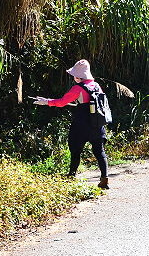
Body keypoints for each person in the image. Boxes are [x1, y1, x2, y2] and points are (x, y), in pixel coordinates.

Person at [32, 59, 109, 189]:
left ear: (78, 77)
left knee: (75, 150)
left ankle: (71, 176)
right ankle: (104, 177)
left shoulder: (77, 88)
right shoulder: (96, 86)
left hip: (81, 125)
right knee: (99, 151)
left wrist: (46, 101)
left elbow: (61, 102)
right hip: (97, 124)